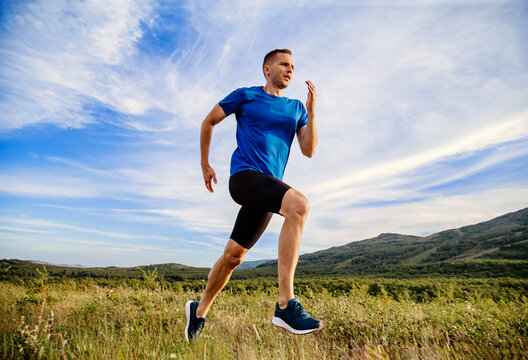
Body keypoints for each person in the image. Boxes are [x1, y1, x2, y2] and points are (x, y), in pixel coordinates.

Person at [185, 49, 321, 343]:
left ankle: (199, 310)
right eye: (284, 64)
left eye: (293, 67)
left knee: (234, 257)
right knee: (299, 205)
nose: (290, 70)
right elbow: (208, 121)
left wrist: (311, 113)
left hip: (268, 189)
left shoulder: (296, 108)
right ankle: (286, 304)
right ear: (266, 68)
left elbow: (308, 150)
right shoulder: (245, 95)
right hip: (245, 178)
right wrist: (205, 163)